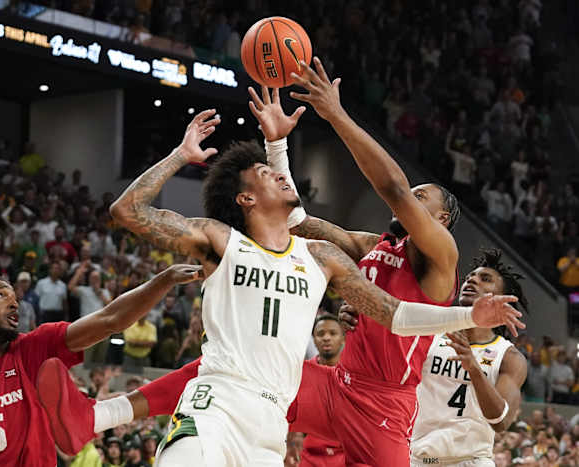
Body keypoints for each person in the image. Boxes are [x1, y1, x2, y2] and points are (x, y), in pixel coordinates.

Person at [36, 108, 522, 466]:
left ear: (439, 219)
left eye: (422, 198)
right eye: (413, 193)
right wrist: (276, 147)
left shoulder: (440, 258)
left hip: (385, 405)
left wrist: (332, 113)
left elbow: (394, 307)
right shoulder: (364, 246)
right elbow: (299, 220)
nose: (409, 199)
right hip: (333, 386)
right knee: (218, 368)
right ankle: (97, 416)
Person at [0, 260, 204, 466]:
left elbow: (110, 319)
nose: (14, 302)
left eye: (13, 296)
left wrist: (163, 281)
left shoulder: (35, 347)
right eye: (0, 296)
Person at [408, 249, 529, 466]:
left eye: (485, 279)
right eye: (470, 277)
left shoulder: (509, 357)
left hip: (471, 460)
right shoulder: (430, 334)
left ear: (503, 300)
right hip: (419, 457)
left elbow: (501, 423)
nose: (472, 279)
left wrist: (473, 368)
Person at [287, 314, 345, 467]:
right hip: (309, 454)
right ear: (313, 339)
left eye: (332, 333)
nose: (326, 338)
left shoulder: (353, 374)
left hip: (346, 453)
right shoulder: (301, 372)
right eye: (320, 334)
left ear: (343, 339)